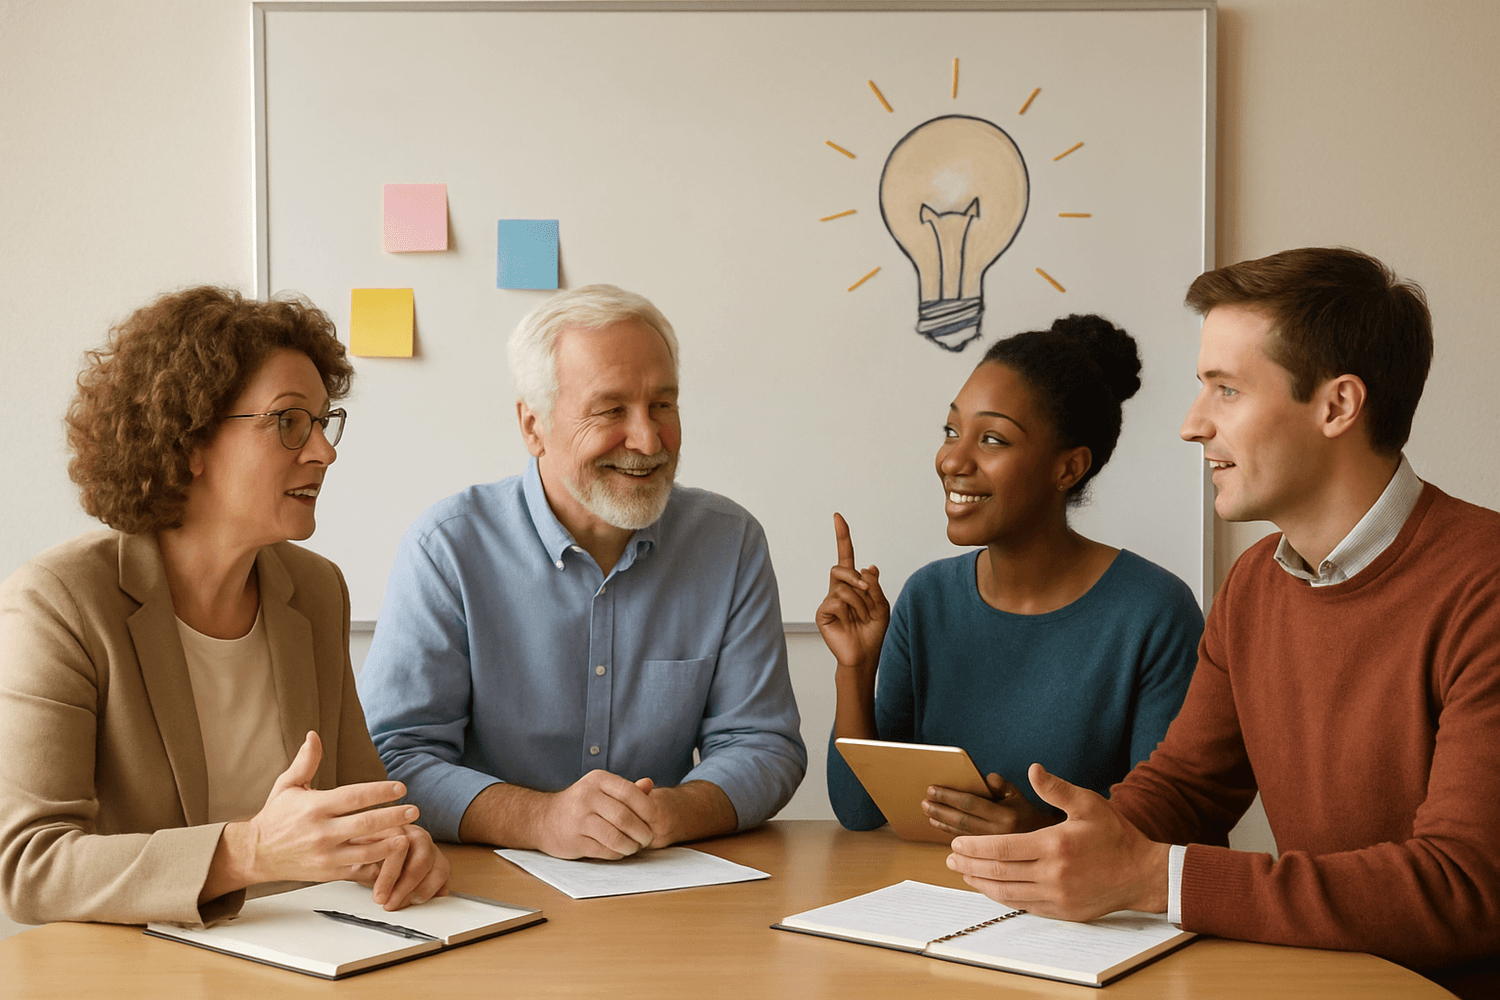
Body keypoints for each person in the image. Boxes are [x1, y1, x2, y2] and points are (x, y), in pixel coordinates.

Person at [945, 248, 1500, 997]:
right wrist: (1075, 845)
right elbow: (1185, 791)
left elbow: (1463, 889)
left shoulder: (1485, 584)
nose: (1191, 425)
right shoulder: (1253, 586)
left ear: (1337, 407)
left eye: (1225, 390)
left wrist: (1151, 878)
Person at [0, 287, 449, 928]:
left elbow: (360, 808)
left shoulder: (317, 590)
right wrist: (250, 851)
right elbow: (30, 868)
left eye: (325, 423)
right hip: (141, 973)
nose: (325, 452)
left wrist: (396, 848)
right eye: (290, 422)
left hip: (313, 952)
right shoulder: (58, 605)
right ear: (189, 440)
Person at [357, 284, 805, 860]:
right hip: (485, 889)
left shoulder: (730, 542)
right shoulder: (446, 548)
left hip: (664, 884)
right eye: (610, 410)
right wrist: (540, 820)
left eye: (662, 405)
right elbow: (393, 758)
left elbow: (765, 744)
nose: (647, 440)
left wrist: (671, 812)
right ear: (533, 426)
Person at [819, 315, 1202, 837]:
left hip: (1081, 915)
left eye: (993, 440)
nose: (952, 459)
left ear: (1068, 469)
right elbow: (860, 813)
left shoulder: (1155, 612)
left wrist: (1038, 832)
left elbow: (1169, 830)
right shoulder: (927, 598)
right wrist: (856, 669)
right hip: (934, 904)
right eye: (952, 430)